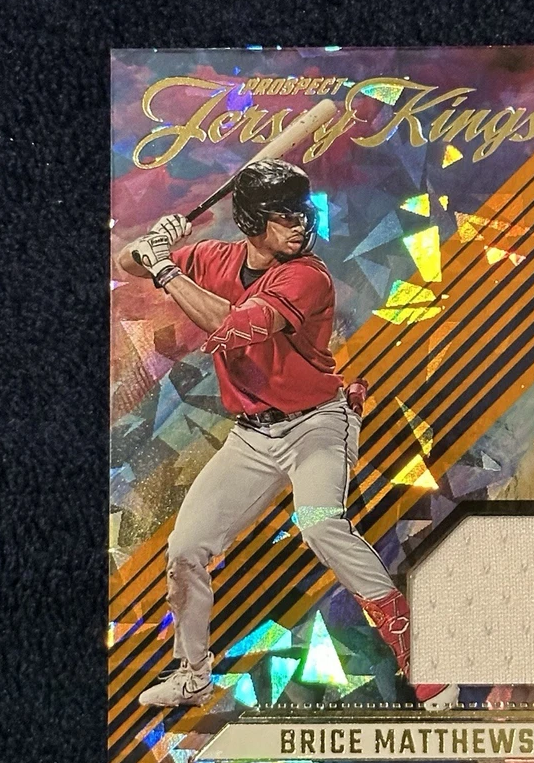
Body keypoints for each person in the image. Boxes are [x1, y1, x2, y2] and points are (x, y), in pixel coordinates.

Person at [116, 159, 458, 710]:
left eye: (300, 213)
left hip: (317, 423)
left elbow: (232, 327)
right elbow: (128, 260)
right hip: (252, 436)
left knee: (320, 523)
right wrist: (156, 241)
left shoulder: (307, 275)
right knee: (185, 549)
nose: (300, 224)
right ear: (253, 221)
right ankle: (193, 675)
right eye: (284, 216)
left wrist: (164, 269)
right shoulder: (214, 257)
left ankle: (418, 652)